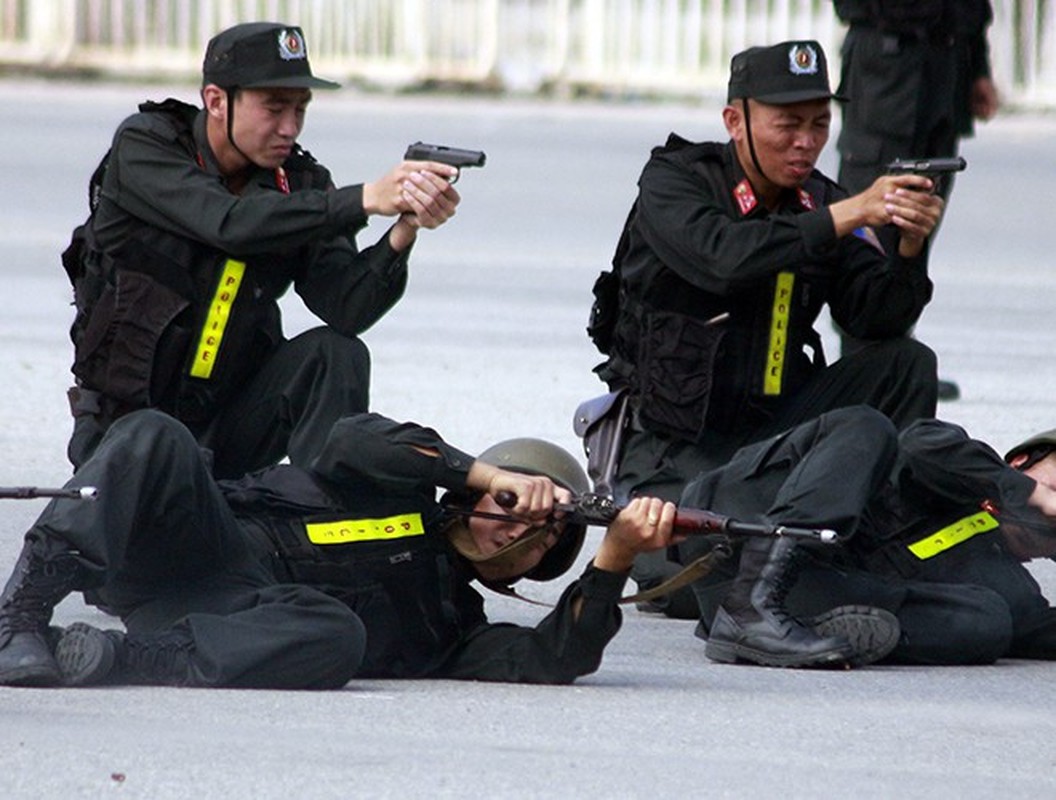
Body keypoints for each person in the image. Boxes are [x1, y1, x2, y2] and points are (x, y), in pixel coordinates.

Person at [587, 40, 944, 632]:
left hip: (777, 434)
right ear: (736, 121)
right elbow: (722, 260)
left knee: (904, 363)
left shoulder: (825, 199)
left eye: (819, 124)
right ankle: (784, 554)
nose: (806, 141)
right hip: (677, 449)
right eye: (788, 125)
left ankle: (881, 525)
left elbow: (873, 320)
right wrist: (850, 214)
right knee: (686, 581)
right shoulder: (675, 182)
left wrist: (909, 245)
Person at [0, 409, 681, 688]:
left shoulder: (452, 628)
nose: (515, 529)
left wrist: (614, 556)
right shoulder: (400, 480)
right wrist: (490, 477)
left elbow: (554, 655)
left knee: (336, 634)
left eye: (540, 542)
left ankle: (108, 658)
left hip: (235, 618)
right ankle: (21, 615)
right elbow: (348, 439)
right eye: (510, 509)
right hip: (198, 545)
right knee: (155, 432)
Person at [63, 22, 461, 479]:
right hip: (129, 429)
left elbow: (346, 308)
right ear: (216, 101)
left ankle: (332, 512)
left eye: (300, 109)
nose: (289, 128)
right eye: (274, 108)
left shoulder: (302, 183)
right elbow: (227, 223)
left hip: (229, 425)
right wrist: (367, 198)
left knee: (336, 353)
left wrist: (404, 228)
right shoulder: (147, 146)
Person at [679, 405, 1056, 666]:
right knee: (867, 424)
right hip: (733, 524)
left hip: (795, 600)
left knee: (989, 622)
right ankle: (752, 604)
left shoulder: (1013, 588)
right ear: (1022, 462)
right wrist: (1028, 494)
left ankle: (794, 629)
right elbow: (919, 444)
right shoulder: (959, 464)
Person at [832, 0, 1000, 400]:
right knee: (874, 214)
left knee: (922, 209)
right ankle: (859, 366)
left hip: (946, 61)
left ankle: (895, 356)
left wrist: (978, 66)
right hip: (887, 61)